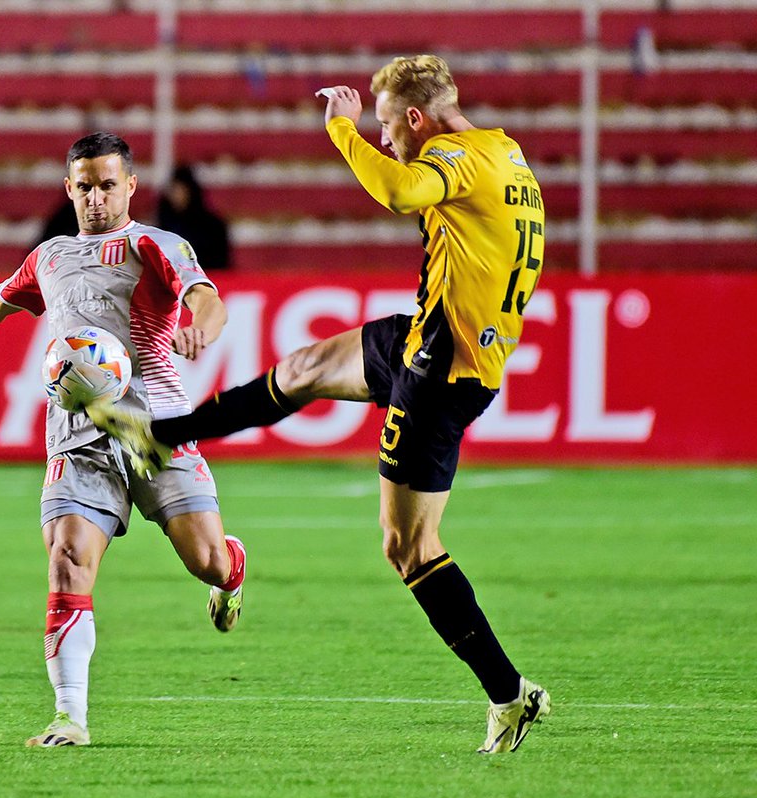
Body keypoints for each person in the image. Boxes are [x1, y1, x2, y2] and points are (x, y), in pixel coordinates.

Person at [89, 55, 551, 754]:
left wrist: (342, 131)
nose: (386, 136)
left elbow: (400, 191)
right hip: (428, 337)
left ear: (418, 119)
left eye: (391, 124)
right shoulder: (506, 153)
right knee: (302, 370)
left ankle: (509, 694)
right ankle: (161, 437)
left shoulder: (454, 155)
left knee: (408, 547)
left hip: (441, 371)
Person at [0, 132, 247, 748]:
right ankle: (70, 717)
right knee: (67, 562)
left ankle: (232, 571)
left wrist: (202, 327)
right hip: (77, 439)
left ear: (131, 186)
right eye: (83, 186)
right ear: (69, 188)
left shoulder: (156, 244)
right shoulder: (50, 256)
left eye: (107, 185)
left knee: (208, 563)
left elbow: (206, 297)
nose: (95, 198)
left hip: (157, 430)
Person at [156, 164, 232, 270]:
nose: (177, 196)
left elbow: (221, 263)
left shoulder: (213, 226)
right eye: (174, 190)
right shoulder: (163, 225)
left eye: (182, 190)